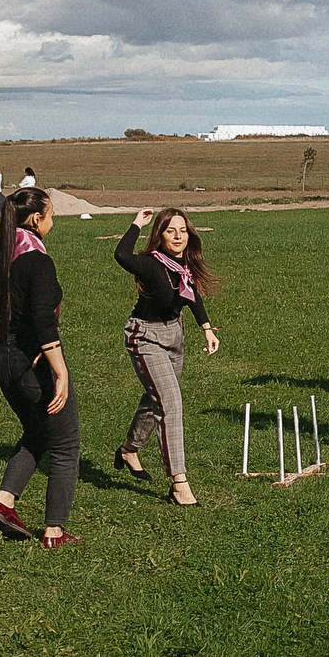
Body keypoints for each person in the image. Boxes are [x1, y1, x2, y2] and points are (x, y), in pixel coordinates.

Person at [0, 186, 78, 549]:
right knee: (65, 444)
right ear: (35, 219)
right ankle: (54, 531)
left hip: (4, 360)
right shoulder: (38, 261)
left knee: (36, 432)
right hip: (34, 362)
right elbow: (43, 321)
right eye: (50, 215)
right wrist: (60, 372)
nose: (53, 221)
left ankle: (4, 503)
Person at [113, 207, 220, 507]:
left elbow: (193, 296)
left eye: (182, 230)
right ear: (160, 235)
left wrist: (207, 329)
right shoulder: (149, 264)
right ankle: (179, 483)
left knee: (155, 398)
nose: (178, 236)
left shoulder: (184, 266)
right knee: (171, 402)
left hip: (175, 336)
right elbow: (121, 255)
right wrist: (136, 223)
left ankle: (128, 450)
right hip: (145, 336)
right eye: (171, 230)